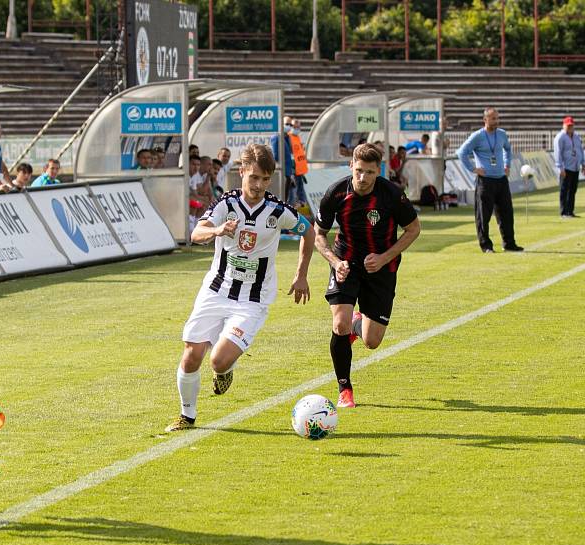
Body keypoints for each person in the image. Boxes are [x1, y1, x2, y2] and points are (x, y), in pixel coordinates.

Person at [166, 143, 315, 432]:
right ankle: (187, 416)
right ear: (242, 172)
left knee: (218, 361)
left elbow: (308, 232)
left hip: (252, 299)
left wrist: (301, 275)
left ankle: (225, 371)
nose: (258, 185)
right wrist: (217, 230)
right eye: (253, 177)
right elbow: (197, 233)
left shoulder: (277, 210)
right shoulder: (226, 204)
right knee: (192, 353)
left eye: (265, 179)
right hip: (216, 290)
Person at [315, 142, 420, 409]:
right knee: (339, 324)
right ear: (351, 166)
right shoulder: (336, 193)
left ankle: (357, 323)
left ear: (379, 171)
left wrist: (384, 258)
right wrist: (335, 262)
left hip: (381, 270)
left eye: (370, 173)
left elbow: (413, 229)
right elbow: (319, 236)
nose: (363, 178)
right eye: (359, 171)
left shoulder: (392, 194)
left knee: (372, 342)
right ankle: (344, 388)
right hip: (346, 265)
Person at [457, 107, 523, 253]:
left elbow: (508, 149)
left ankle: (509, 244)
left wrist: (507, 165)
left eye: (497, 118)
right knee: (483, 215)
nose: (496, 121)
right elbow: (461, 152)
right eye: (493, 118)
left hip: (501, 179)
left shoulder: (502, 134)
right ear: (485, 120)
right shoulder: (477, 136)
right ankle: (486, 246)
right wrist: (473, 168)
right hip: (485, 181)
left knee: (506, 213)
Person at [553, 116, 585, 218]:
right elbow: (558, 153)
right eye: (568, 125)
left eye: (571, 125)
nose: (570, 127)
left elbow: (580, 150)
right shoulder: (560, 137)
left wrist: (583, 164)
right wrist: (560, 167)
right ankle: (563, 212)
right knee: (564, 190)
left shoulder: (576, 136)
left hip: (575, 167)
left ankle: (570, 211)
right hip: (565, 168)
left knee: (573, 190)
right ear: (564, 125)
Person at [270, 116, 296, 202]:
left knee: (286, 198)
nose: (289, 126)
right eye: (287, 124)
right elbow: (276, 156)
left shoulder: (285, 137)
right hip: (283, 173)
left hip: (288, 172)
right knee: (283, 199)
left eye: (290, 124)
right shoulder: (276, 137)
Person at [288, 119, 308, 207]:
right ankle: (292, 206)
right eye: (295, 127)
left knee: (300, 191)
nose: (297, 129)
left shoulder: (297, 137)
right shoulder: (289, 137)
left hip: (299, 169)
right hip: (293, 168)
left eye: (298, 127)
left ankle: (300, 202)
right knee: (293, 191)